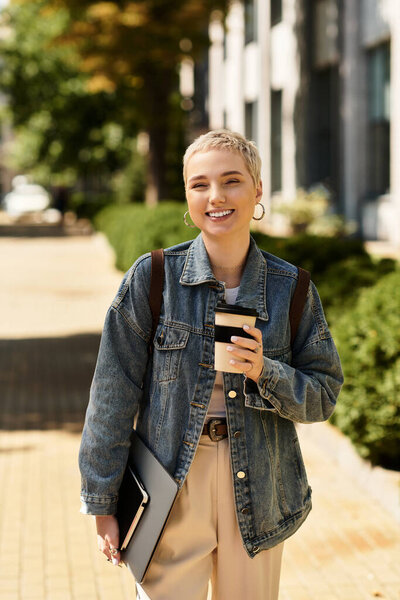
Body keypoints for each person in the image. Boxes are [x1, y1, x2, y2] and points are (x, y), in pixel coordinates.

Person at [79, 130, 343, 600]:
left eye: (231, 181)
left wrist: (267, 370)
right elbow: (111, 394)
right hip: (170, 486)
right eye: (200, 184)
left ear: (258, 190)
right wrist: (103, 502)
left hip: (261, 489)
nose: (215, 197)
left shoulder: (292, 288)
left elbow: (323, 396)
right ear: (187, 195)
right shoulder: (153, 277)